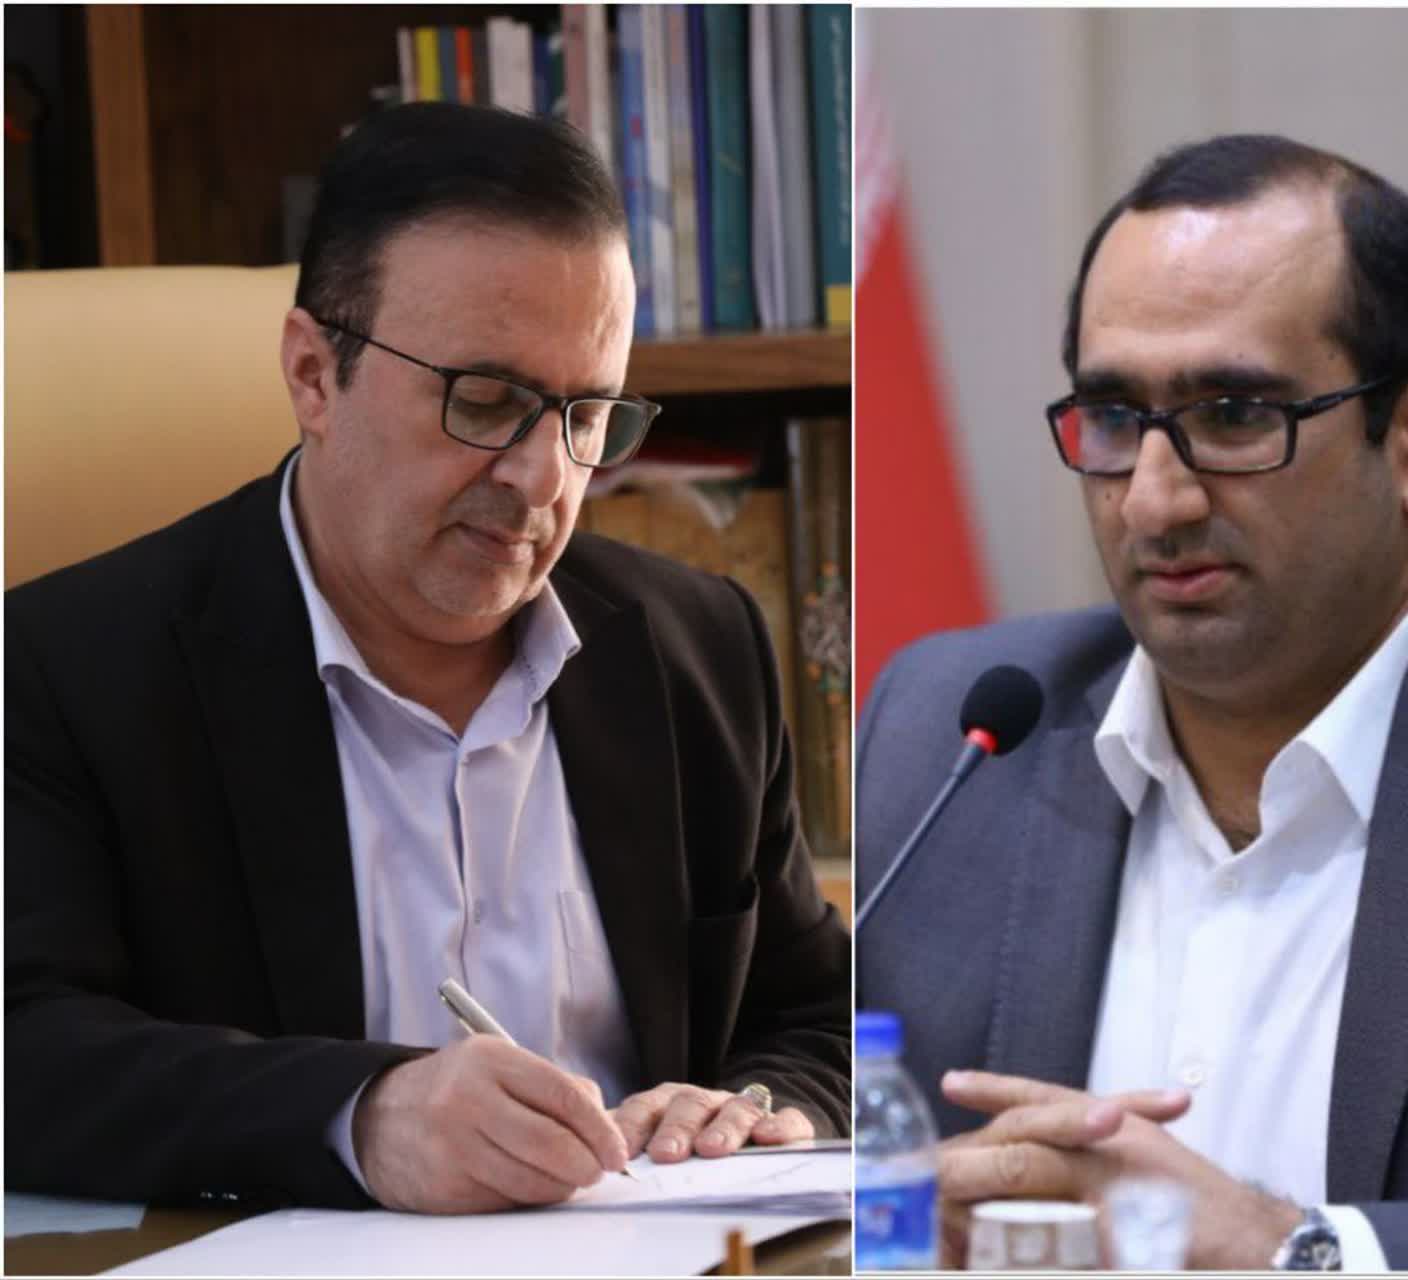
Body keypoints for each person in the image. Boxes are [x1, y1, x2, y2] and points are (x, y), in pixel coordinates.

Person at [7, 103, 849, 1215]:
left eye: (588, 414)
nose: (544, 478)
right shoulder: (63, 670)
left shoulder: (703, 648)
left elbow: (820, 1014)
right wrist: (359, 1115)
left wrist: (752, 1108)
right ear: (314, 374)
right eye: (487, 402)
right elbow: (26, 1048)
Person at [855, 134, 1408, 1270]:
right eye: (1113, 418)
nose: (1154, 502)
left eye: (1232, 414)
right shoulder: (948, 731)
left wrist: (1293, 1246)